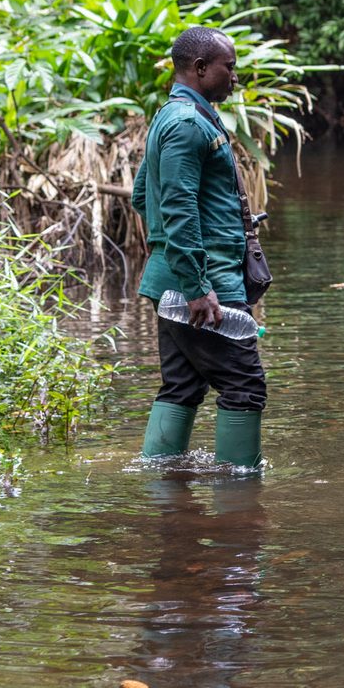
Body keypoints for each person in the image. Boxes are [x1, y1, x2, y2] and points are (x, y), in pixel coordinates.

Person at [135, 26, 267, 467]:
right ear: (200, 68)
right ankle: (240, 509)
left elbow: (142, 195)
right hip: (202, 284)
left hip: (176, 280)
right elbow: (176, 205)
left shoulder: (171, 116)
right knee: (244, 386)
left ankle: (164, 491)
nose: (234, 77)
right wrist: (195, 283)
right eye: (229, 68)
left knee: (182, 386)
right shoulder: (189, 124)